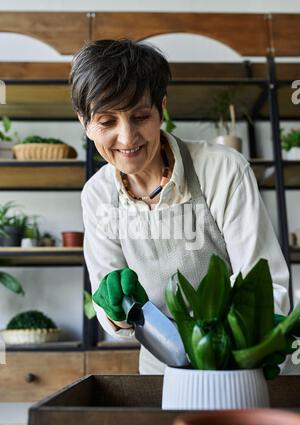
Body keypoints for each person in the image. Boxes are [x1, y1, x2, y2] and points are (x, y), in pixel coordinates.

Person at [70, 39, 290, 374]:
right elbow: (111, 308)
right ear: (85, 123)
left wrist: (244, 349)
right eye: (107, 122)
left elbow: (266, 284)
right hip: (163, 365)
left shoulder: (222, 170)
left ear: (162, 108)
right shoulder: (98, 195)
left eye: (140, 116)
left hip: (238, 357)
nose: (127, 138)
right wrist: (114, 307)